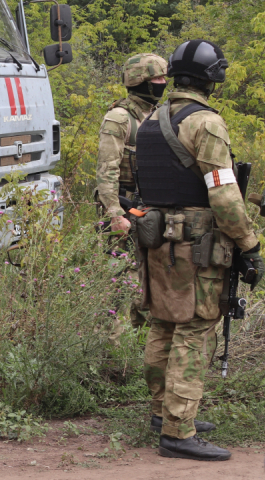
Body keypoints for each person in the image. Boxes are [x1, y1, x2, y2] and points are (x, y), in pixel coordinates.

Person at [135, 39, 263, 461]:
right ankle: (178, 430)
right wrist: (250, 244)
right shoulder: (205, 123)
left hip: (157, 242)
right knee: (194, 328)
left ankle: (163, 413)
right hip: (196, 246)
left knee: (163, 325)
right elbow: (224, 197)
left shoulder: (151, 119)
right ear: (212, 78)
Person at [96, 53, 167, 332]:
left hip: (151, 210)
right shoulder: (119, 118)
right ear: (142, 82)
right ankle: (109, 344)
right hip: (123, 208)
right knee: (118, 280)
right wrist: (115, 214)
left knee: (152, 279)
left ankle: (141, 341)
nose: (163, 83)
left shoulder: (159, 115)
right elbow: (106, 171)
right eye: (158, 78)